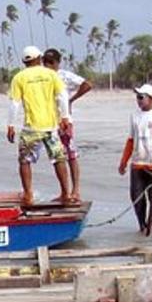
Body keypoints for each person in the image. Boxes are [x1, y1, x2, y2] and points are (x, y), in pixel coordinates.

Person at [7, 45, 72, 205]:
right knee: (59, 159)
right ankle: (66, 193)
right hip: (51, 127)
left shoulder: (19, 77)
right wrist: (65, 118)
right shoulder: (50, 74)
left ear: (24, 61)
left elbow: (14, 103)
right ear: (39, 59)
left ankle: (28, 194)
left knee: (24, 161)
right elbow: (62, 96)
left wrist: (10, 124)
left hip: (31, 127)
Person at [118, 84, 152, 236]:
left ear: (151, 98)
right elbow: (130, 140)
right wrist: (123, 161)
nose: (139, 100)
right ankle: (143, 226)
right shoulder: (135, 116)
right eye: (137, 97)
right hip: (137, 163)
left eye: (141, 97)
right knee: (137, 198)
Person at [42, 48, 92, 201]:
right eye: (46, 62)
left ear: (57, 63)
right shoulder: (43, 77)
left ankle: (75, 190)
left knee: (71, 155)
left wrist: (72, 99)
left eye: (51, 62)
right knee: (57, 157)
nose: (48, 65)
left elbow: (87, 84)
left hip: (64, 121)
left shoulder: (64, 75)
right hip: (49, 122)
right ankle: (65, 191)